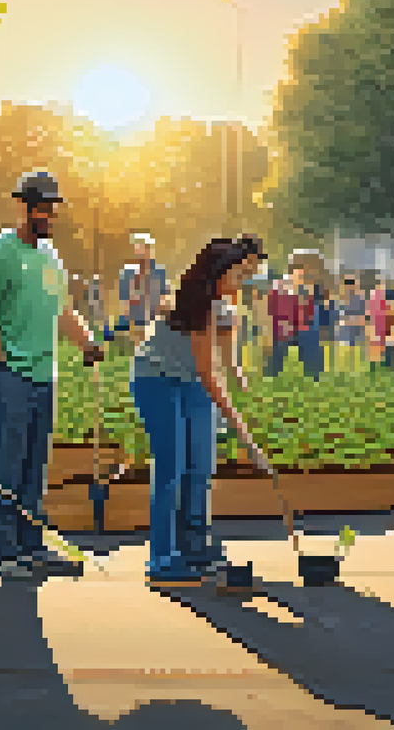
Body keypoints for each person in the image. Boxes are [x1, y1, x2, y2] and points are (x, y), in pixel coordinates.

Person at [0, 170, 105, 580]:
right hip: (10, 374)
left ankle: (31, 547)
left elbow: (62, 310)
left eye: (52, 207)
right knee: (6, 467)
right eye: (40, 207)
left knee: (33, 469)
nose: (47, 214)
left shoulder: (51, 257)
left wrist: (86, 342)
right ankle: (3, 554)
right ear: (22, 206)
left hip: (45, 375)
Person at [131, 236, 269, 586]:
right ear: (219, 273)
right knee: (172, 466)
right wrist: (247, 439)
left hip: (189, 379)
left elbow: (217, 361)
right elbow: (209, 374)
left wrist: (236, 375)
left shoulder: (223, 304)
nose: (241, 281)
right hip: (157, 379)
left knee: (201, 463)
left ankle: (194, 544)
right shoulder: (200, 305)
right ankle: (162, 557)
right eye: (237, 274)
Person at [118, 234, 170, 347]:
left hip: (155, 317)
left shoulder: (159, 271)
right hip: (136, 318)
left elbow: (164, 295)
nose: (143, 252)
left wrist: (162, 314)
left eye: (146, 248)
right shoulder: (128, 272)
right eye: (140, 248)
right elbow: (124, 299)